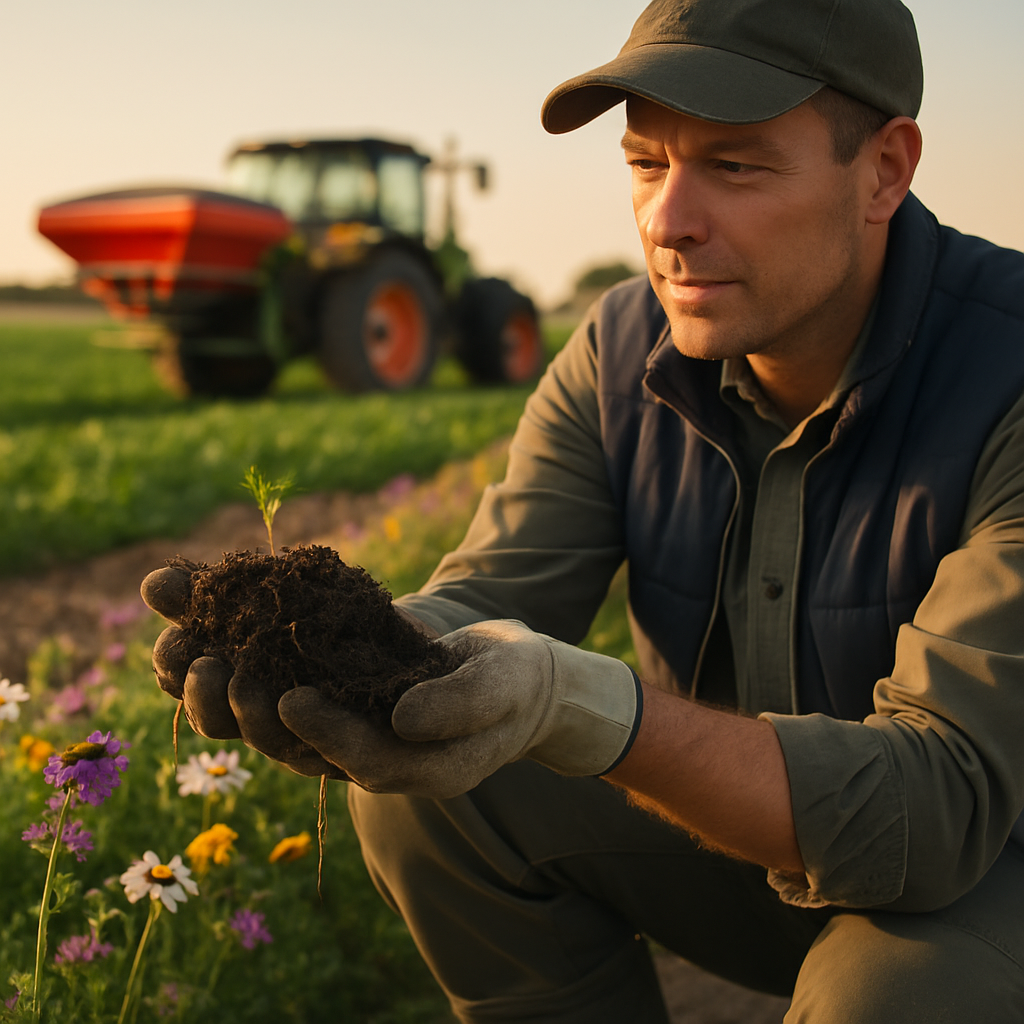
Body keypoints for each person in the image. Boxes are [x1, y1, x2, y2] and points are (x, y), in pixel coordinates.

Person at [142, 0, 1024, 1019]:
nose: (665, 221)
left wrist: (586, 708)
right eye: (646, 164)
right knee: (435, 792)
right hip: (752, 844)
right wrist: (365, 662)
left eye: (734, 167)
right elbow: (488, 595)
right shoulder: (620, 349)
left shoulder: (1005, 374)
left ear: (884, 170)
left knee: (895, 993)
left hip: (977, 876)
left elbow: (939, 809)